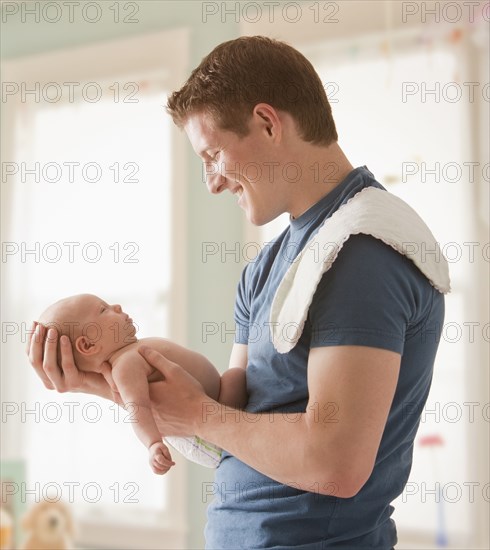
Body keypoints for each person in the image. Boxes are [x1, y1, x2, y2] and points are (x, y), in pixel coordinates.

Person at [28, 36, 448, 549]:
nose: (211, 182)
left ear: (268, 123)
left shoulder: (358, 251)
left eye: (212, 155)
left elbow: (335, 463)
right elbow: (228, 438)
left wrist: (198, 413)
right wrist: (112, 384)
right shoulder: (268, 268)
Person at [37, 293, 247, 473]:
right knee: (237, 377)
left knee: (237, 377)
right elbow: (137, 408)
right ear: (88, 344)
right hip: (206, 435)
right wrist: (153, 444)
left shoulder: (130, 353)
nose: (117, 306)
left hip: (217, 405)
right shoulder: (124, 367)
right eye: (103, 310)